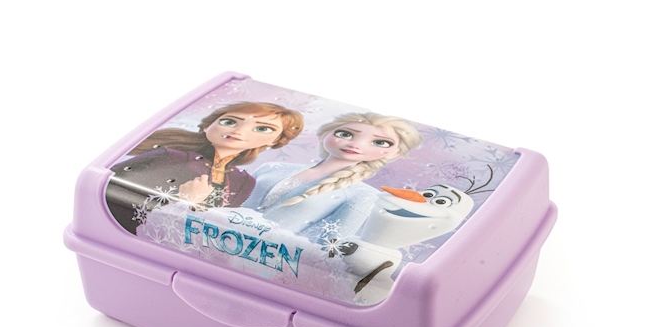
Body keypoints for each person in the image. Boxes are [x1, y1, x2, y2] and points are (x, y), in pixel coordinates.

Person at [105, 101, 304, 233]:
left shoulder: (242, 182)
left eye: (262, 128)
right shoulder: (170, 157)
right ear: (208, 126)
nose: (240, 130)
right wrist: (185, 202)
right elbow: (106, 191)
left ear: (275, 140)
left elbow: (215, 230)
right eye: (229, 121)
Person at [241, 112, 422, 240]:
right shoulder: (272, 167)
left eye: (380, 142)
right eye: (345, 134)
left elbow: (329, 243)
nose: (356, 144)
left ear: (395, 153)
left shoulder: (364, 195)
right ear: (325, 134)